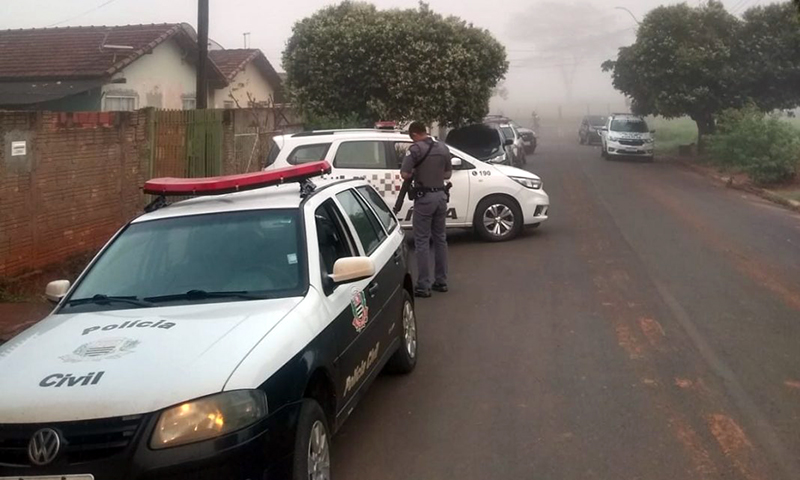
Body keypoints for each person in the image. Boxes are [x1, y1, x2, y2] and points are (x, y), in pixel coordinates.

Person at [400, 122, 452, 298]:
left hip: (424, 199)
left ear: (415, 134)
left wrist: (417, 172)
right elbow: (447, 175)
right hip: (441, 197)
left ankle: (423, 285)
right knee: (440, 239)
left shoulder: (415, 149)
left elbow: (405, 174)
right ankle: (441, 281)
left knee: (422, 241)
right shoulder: (443, 147)